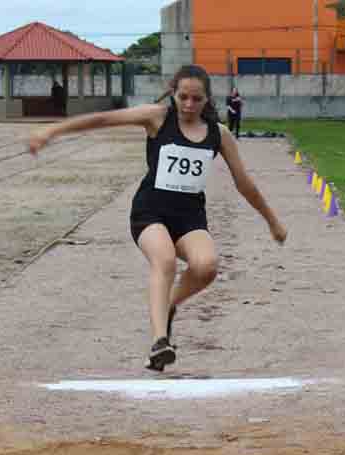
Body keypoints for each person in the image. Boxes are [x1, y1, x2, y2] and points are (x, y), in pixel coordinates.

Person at [28, 65, 288, 371]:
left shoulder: (219, 134)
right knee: (164, 260)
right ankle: (159, 341)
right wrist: (51, 131)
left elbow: (244, 183)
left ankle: (168, 307)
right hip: (149, 211)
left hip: (190, 217)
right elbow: (103, 119)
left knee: (206, 266)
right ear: (173, 93)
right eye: (183, 97)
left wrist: (272, 221)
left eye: (197, 99)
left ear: (207, 99)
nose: (189, 105)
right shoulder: (157, 117)